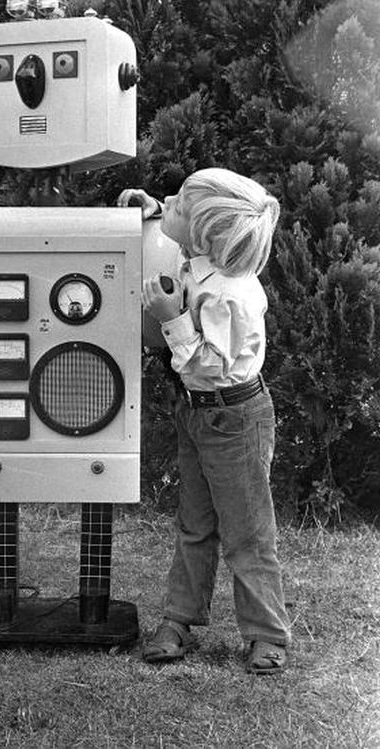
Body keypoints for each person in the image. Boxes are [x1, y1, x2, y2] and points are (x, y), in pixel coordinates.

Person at [118, 168, 291, 674]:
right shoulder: (201, 260)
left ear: (203, 233)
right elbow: (175, 239)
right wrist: (154, 209)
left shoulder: (229, 294)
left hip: (234, 417)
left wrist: (171, 316)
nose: (166, 199)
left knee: (247, 532)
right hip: (198, 413)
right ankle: (179, 619)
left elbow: (210, 364)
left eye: (177, 203)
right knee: (194, 524)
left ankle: (266, 633)